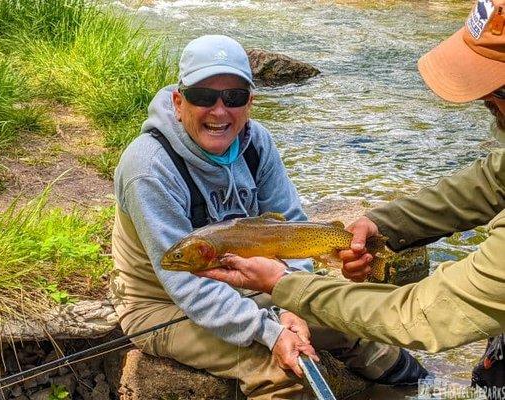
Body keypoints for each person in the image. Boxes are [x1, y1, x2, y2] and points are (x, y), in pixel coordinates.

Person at [110, 34, 427, 400]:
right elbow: (187, 287)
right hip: (163, 306)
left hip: (251, 286)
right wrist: (272, 331)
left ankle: (426, 388)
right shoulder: (148, 168)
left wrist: (296, 301)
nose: (219, 111)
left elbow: (293, 228)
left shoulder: (256, 142)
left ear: (249, 103)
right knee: (281, 368)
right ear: (179, 102)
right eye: (202, 97)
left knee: (353, 320)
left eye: (233, 97)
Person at [197, 0, 505, 354]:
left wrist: (285, 285)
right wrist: (381, 225)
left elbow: (424, 314)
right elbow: (494, 181)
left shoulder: (257, 143)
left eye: (497, 90)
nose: (483, 100)